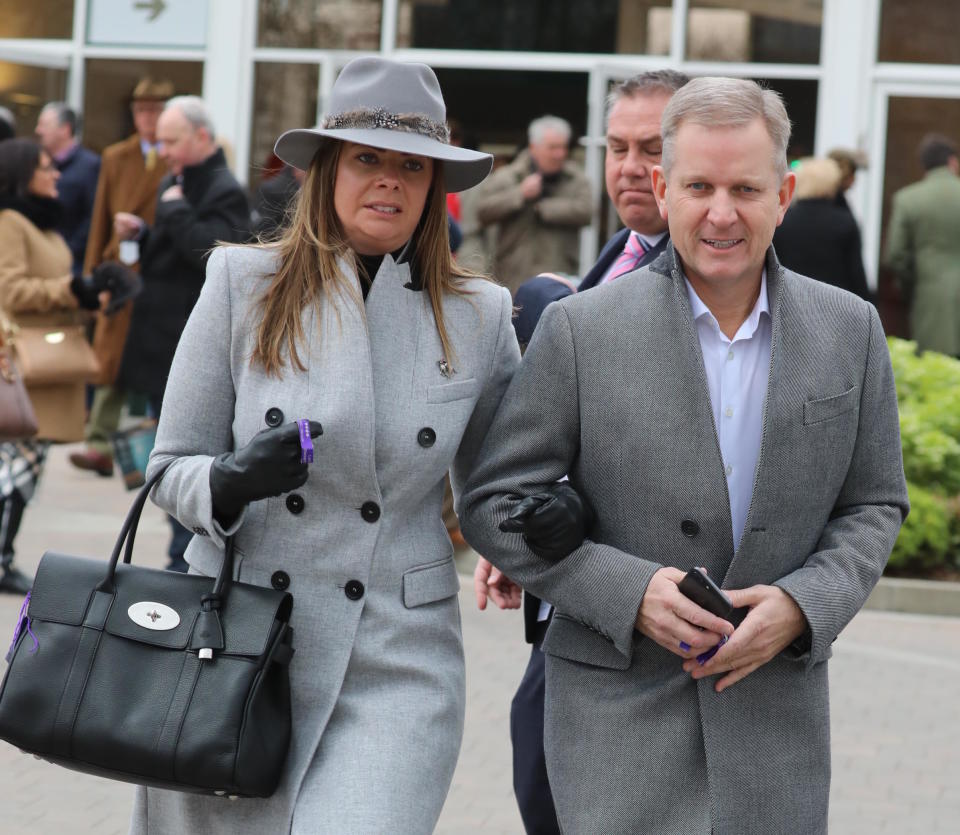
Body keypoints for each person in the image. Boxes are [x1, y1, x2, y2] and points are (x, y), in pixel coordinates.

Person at [461, 77, 908, 834]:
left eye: (746, 187)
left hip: (775, 732)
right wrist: (627, 590)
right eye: (699, 186)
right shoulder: (581, 329)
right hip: (616, 730)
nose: (722, 212)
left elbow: (873, 503)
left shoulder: (850, 329)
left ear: (785, 192)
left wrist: (805, 605)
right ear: (665, 189)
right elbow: (494, 503)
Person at [131, 56, 517, 833]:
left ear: (435, 186)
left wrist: (520, 537)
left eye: (413, 165)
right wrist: (232, 480)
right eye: (368, 158)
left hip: (396, 661)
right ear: (327, 170)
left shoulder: (480, 314)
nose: (390, 181)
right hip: (236, 647)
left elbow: (503, 481)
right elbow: (168, 467)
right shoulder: (241, 284)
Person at [473, 68, 689, 835]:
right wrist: (523, 524)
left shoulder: (709, 283)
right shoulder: (616, 257)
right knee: (539, 778)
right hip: (574, 597)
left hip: (645, 611)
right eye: (618, 146)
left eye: (652, 147)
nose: (631, 166)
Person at [114, 95, 249, 572]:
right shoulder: (180, 181)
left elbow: (217, 257)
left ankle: (183, 562)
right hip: (159, 340)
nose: (163, 149)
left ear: (202, 138)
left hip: (185, 348)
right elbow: (173, 253)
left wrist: (170, 216)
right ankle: (180, 557)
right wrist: (143, 235)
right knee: (161, 457)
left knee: (182, 459)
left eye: (171, 141)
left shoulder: (222, 187)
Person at [0, 138, 112, 593]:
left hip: (48, 363)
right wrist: (70, 289)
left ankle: (4, 556)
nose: (56, 174)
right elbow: (10, 291)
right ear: (23, 173)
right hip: (25, 365)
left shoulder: (41, 223)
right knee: (15, 470)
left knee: (24, 470)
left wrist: (86, 296)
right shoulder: (10, 221)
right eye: (46, 168)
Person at [69, 78, 174, 477]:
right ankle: (99, 444)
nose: (148, 117)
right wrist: (93, 274)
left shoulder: (174, 156)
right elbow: (100, 216)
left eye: (156, 109)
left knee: (148, 369)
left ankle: (141, 457)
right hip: (118, 271)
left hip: (155, 271)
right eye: (142, 110)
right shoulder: (116, 156)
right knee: (109, 361)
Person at [475, 115, 592, 294]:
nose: (559, 154)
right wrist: (520, 194)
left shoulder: (576, 179)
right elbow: (482, 212)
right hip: (513, 279)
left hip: (559, 278)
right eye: (552, 148)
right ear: (533, 148)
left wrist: (543, 208)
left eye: (563, 147)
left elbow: (587, 211)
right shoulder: (508, 176)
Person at [885, 132, 960, 356]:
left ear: (924, 165)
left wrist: (912, 284)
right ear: (952, 161)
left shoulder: (908, 199)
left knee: (936, 374)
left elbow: (895, 255)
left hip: (930, 298)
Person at [773, 156, 871, 300]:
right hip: (836, 304)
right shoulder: (845, 221)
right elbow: (856, 273)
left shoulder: (782, 220)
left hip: (790, 300)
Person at [34, 102, 100, 277]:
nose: (38, 130)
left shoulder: (90, 166)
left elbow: (94, 216)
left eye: (44, 125)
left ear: (65, 129)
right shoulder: (38, 163)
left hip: (72, 266)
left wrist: (67, 251)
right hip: (40, 262)